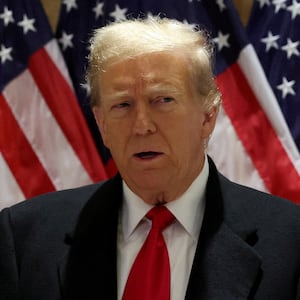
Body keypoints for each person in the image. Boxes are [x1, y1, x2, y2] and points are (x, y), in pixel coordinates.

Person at [0, 16, 299, 300]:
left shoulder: (290, 241)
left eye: (163, 100)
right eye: (123, 105)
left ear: (208, 116)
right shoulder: (26, 237)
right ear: (102, 125)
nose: (142, 125)